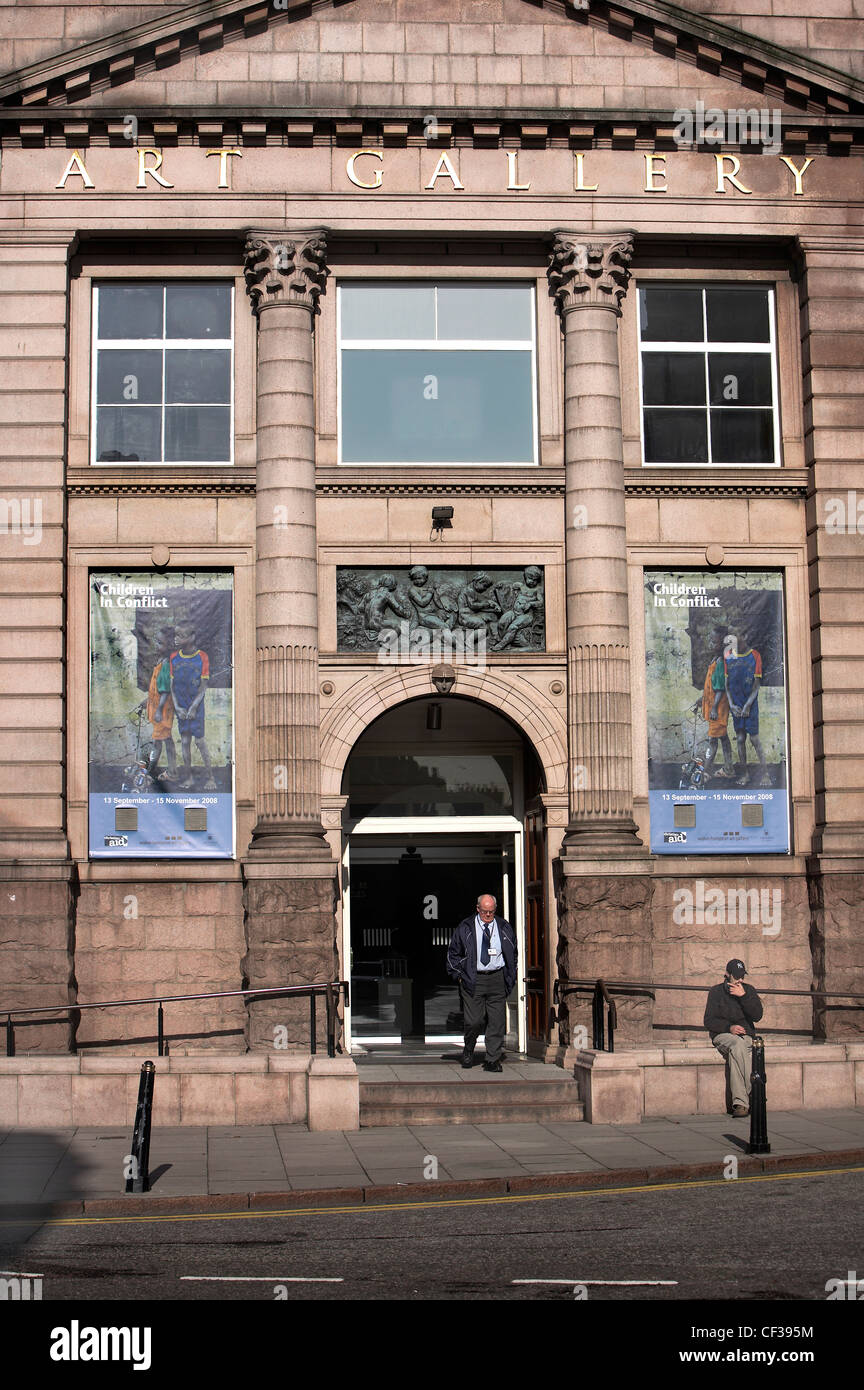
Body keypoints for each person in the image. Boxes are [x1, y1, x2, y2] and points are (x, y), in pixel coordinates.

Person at [446, 893, 518, 1072]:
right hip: (473, 978)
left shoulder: (503, 927)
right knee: (474, 1021)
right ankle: (469, 1048)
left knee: (497, 1021)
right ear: (478, 909)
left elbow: (513, 953)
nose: (488, 915)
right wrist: (460, 976)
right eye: (485, 911)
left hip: (496, 977)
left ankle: (492, 1059)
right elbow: (453, 954)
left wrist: (510, 974)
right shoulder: (465, 927)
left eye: (491, 912)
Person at [703, 959, 764, 1116]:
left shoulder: (748, 990)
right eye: (736, 976)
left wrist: (743, 997)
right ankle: (756, 1092)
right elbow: (709, 1021)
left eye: (742, 976)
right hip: (723, 1035)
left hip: (745, 1037)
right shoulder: (716, 992)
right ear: (727, 974)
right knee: (737, 1044)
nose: (740, 980)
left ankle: (741, 1104)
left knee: (737, 1050)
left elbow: (757, 1016)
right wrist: (728, 1028)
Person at [168, 622, 217, 791]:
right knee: (185, 742)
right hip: (181, 708)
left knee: (200, 742)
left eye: (180, 635)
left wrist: (195, 706)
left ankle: (210, 777)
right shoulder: (174, 657)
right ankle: (188, 777)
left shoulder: (202, 656)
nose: (176, 638)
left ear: (192, 637)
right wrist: (177, 707)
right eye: (175, 635)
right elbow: (172, 686)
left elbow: (204, 686)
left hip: (196, 708)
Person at [724, 630, 771, 787]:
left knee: (754, 739)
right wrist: (731, 704)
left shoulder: (755, 655)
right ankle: (745, 774)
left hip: (750, 705)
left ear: (745, 636)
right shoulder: (728, 656)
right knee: (740, 739)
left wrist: (748, 705)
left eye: (739, 637)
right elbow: (727, 685)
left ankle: (765, 774)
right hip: (736, 706)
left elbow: (757, 685)